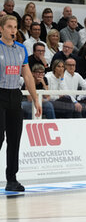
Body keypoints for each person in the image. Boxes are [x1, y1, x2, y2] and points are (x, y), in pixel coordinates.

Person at [0, 15, 42, 191]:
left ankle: (12, 179)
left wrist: (35, 99)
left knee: (14, 138)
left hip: (15, 95)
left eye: (15, 27)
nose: (13, 30)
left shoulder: (21, 49)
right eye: (9, 27)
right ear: (1, 29)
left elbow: (27, 75)